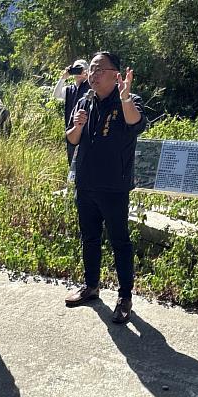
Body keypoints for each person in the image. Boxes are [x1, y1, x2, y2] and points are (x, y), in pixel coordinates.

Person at [64, 51, 147, 324]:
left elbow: (136, 123)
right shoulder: (86, 101)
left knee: (119, 241)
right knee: (89, 238)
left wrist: (124, 97)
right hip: (85, 184)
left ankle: (125, 297)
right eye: (92, 69)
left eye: (100, 69)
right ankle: (91, 286)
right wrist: (77, 125)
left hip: (113, 186)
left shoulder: (128, 101)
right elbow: (72, 138)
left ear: (116, 75)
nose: (94, 74)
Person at [53, 59, 90, 164]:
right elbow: (56, 95)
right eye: (76, 69)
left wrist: (89, 77)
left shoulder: (91, 87)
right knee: (72, 162)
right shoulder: (69, 90)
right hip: (72, 131)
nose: (78, 73)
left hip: (87, 131)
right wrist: (63, 78)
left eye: (81, 69)